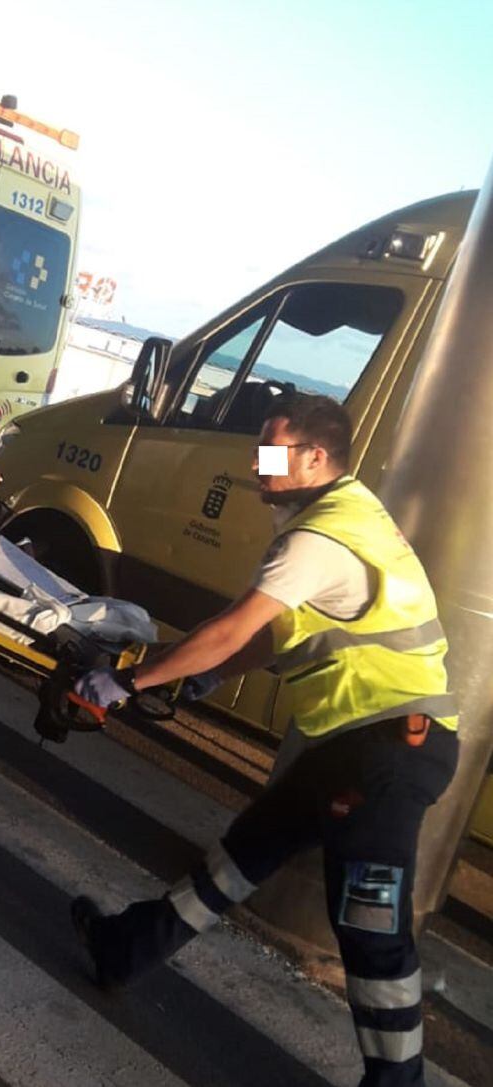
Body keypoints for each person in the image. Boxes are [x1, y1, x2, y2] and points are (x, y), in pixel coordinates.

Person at [72, 393, 459, 1087]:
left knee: (370, 928)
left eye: (272, 449)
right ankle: (126, 947)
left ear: (316, 456)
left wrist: (131, 681)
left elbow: (233, 625)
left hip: (390, 752)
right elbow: (280, 633)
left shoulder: (320, 535)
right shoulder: (339, 511)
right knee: (242, 854)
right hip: (356, 744)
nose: (258, 460)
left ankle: (397, 1082)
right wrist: (213, 675)